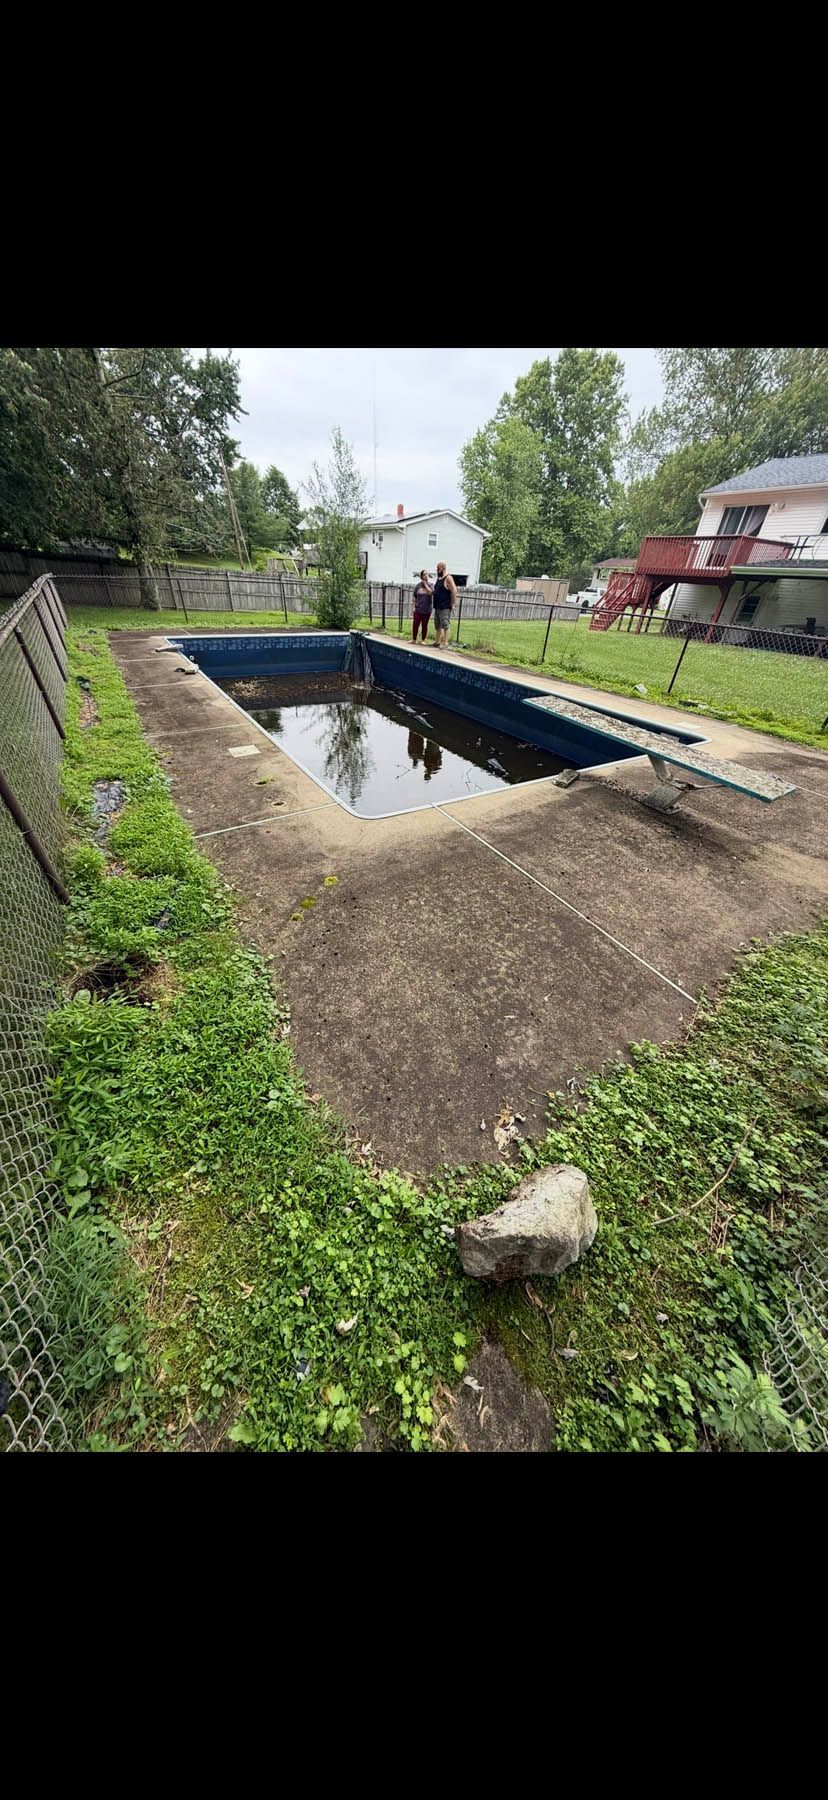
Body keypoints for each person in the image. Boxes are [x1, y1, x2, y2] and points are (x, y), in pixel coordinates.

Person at [432, 563, 457, 647]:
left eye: (438, 569)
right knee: (437, 625)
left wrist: (453, 604)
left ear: (442, 568)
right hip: (437, 606)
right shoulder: (439, 579)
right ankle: (437, 642)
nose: (437, 570)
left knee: (445, 624)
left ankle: (445, 642)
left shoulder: (448, 578)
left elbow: (454, 590)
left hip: (445, 606)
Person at [412, 570, 432, 642]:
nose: (426, 576)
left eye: (427, 574)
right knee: (415, 624)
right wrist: (414, 607)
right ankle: (414, 639)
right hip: (418, 609)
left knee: (424, 625)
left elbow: (430, 593)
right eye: (424, 574)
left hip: (427, 610)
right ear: (421, 577)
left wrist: (425, 585)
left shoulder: (431, 585)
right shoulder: (418, 586)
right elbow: (414, 597)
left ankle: (423, 640)